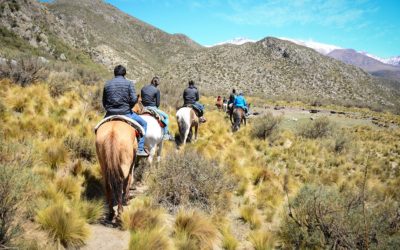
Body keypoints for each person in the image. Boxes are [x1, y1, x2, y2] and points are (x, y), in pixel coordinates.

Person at [102, 65, 148, 157]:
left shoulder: (107, 84)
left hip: (110, 113)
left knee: (98, 129)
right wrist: (129, 107)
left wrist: (109, 109)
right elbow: (134, 99)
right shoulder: (129, 83)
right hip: (126, 113)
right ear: (124, 74)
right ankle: (140, 149)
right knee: (144, 124)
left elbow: (104, 101)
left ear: (114, 73)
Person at [141, 76, 172, 140]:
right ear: (155, 82)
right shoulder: (156, 90)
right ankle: (166, 135)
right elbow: (158, 104)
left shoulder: (143, 88)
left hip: (143, 108)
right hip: (152, 108)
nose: (157, 85)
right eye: (157, 84)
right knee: (166, 116)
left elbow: (142, 98)